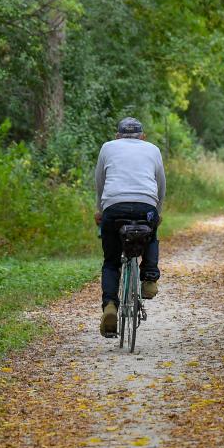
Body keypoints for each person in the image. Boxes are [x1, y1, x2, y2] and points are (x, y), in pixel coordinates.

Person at [94, 117, 166, 338]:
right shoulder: (152, 149)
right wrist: (158, 211)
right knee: (151, 236)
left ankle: (110, 306)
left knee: (111, 262)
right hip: (146, 205)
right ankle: (150, 279)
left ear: (117, 136)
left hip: (114, 207)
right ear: (142, 137)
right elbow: (161, 184)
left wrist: (100, 209)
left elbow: (100, 182)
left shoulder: (107, 147)